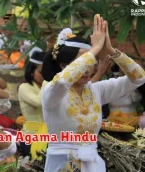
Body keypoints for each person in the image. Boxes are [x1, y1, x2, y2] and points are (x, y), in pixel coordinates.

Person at [41, 14, 145, 172]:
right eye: (84, 62)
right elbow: (63, 81)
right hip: (62, 164)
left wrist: (111, 50)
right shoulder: (52, 90)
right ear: (63, 65)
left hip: (93, 164)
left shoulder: (96, 90)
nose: (89, 67)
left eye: (91, 61)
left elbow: (139, 78)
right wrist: (95, 48)